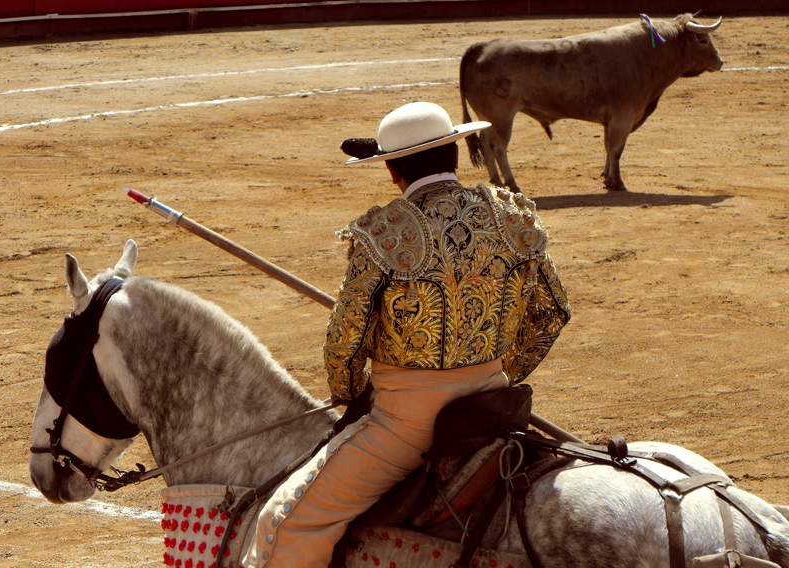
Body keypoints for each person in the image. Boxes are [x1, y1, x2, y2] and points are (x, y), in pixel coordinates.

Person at [244, 101, 571, 568]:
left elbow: (345, 343)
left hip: (406, 426)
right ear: (456, 156)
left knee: (286, 522)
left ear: (392, 171)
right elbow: (553, 313)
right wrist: (498, 375)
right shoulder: (512, 216)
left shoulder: (383, 233)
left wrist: (351, 395)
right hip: (494, 408)